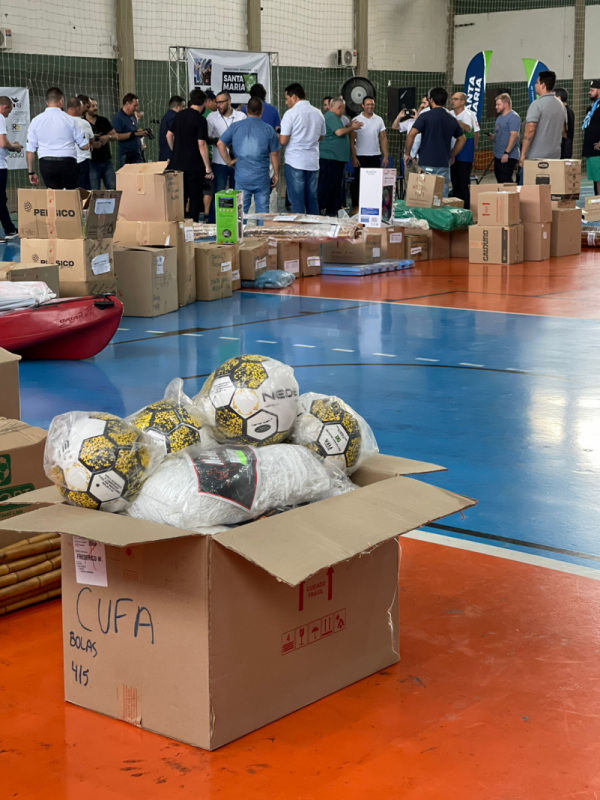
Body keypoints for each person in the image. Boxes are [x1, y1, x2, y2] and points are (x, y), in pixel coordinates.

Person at [217, 96, 281, 219]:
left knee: (241, 214)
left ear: (246, 110)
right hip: (262, 178)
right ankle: (262, 236)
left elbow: (220, 143)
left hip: (242, 177)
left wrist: (229, 161)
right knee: (263, 213)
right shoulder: (268, 129)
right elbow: (275, 154)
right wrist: (276, 174)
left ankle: (242, 237)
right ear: (262, 110)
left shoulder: (235, 127)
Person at [404, 87, 465, 197]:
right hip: (443, 165)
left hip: (426, 164)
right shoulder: (451, 119)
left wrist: (407, 154)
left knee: (424, 198)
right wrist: (451, 155)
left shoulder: (425, 116)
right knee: (441, 199)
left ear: (431, 100)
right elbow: (462, 139)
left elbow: (411, 134)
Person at [26, 87, 88, 190]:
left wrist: (31, 172)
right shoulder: (71, 120)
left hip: (46, 163)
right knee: (70, 195)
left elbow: (30, 151)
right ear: (61, 101)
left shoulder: (36, 121)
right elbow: (84, 146)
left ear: (47, 102)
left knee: (53, 197)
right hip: (68, 162)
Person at [279, 82, 325, 215]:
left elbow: (283, 141)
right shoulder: (318, 113)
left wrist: (276, 134)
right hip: (312, 163)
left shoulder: (290, 113)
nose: (286, 103)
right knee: (312, 199)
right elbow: (321, 137)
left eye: (287, 99)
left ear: (294, 97)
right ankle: (314, 233)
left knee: (297, 201)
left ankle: (299, 233)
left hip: (295, 162)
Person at [167, 88, 212, 223]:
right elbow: (201, 144)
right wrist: (207, 167)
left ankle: (179, 226)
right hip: (194, 166)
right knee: (194, 197)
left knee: (181, 197)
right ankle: (192, 227)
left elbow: (168, 135)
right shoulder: (201, 120)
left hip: (177, 165)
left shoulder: (179, 115)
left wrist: (175, 150)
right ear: (204, 103)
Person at [318, 98, 362, 217]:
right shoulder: (331, 116)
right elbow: (339, 132)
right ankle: (321, 208)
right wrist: (353, 128)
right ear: (340, 107)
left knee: (334, 186)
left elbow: (338, 130)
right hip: (330, 158)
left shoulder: (333, 118)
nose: (343, 112)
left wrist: (348, 126)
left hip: (335, 159)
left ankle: (332, 210)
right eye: (343, 109)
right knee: (327, 185)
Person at [206, 91, 246, 221]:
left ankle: (236, 223)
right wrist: (221, 141)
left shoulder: (241, 116)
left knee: (238, 195)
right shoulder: (212, 117)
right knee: (218, 194)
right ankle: (213, 224)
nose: (218, 105)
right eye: (217, 102)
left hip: (238, 162)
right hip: (219, 162)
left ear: (229, 101)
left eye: (221, 102)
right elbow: (207, 138)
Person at [519, 71, 566, 169]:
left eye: (537, 82)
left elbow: (530, 129)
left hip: (536, 159)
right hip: (555, 156)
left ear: (543, 85)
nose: (535, 85)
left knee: (532, 184)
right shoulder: (561, 105)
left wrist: (523, 154)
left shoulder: (536, 104)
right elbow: (563, 131)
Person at [349, 96, 388, 209]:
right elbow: (351, 140)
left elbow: (383, 138)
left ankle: (372, 206)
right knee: (358, 183)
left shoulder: (379, 119)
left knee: (374, 183)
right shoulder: (356, 120)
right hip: (360, 157)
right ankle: (356, 206)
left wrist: (385, 156)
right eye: (368, 104)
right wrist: (354, 157)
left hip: (375, 156)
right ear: (363, 105)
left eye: (372, 104)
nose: (370, 107)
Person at [449, 91, 479, 209]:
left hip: (464, 154)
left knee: (463, 184)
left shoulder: (468, 114)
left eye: (455, 99)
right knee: (455, 183)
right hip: (452, 152)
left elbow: (468, 128)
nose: (452, 101)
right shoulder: (450, 113)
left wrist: (472, 150)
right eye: (451, 99)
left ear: (463, 101)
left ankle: (467, 209)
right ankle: (457, 208)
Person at [0, 96, 22, 242]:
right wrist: (15, 146)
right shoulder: (0, 117)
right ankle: (9, 229)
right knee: (1, 198)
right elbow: (3, 143)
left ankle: (9, 228)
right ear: (4, 107)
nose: (8, 115)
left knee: (1, 198)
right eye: (8, 111)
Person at [85, 98, 117, 190]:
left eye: (96, 106)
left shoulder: (104, 120)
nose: (95, 108)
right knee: (94, 190)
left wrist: (108, 137)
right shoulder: (83, 123)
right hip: (91, 163)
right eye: (92, 106)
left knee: (112, 188)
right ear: (86, 107)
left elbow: (116, 135)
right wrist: (91, 143)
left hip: (107, 162)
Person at [111, 94, 149, 168]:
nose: (136, 108)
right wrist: (134, 134)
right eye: (135, 105)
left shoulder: (132, 116)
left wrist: (140, 132)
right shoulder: (118, 118)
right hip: (127, 156)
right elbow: (116, 136)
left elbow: (133, 131)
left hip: (137, 155)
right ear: (127, 104)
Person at [491, 93, 521, 184]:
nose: (496, 107)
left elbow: (514, 135)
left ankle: (512, 197)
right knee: (500, 180)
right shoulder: (499, 118)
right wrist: (493, 136)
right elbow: (500, 134)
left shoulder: (513, 117)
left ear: (506, 104)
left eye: (498, 104)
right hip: (498, 155)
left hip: (508, 156)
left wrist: (506, 153)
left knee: (505, 180)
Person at [66, 96, 93, 189]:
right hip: (82, 161)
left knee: (68, 191)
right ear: (78, 108)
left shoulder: (61, 121)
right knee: (84, 193)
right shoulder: (84, 123)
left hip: (66, 161)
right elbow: (91, 143)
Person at [392, 96, 430, 161]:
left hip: (421, 158)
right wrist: (399, 116)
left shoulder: (429, 121)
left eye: (424, 103)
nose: (421, 105)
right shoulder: (410, 121)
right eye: (421, 103)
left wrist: (417, 119)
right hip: (409, 157)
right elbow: (394, 127)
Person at [582, 79, 600, 196]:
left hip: (598, 151)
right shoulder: (592, 108)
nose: (590, 92)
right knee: (595, 181)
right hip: (591, 150)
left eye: (592, 90)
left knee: (599, 180)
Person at [159, 96, 185, 162]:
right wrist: (174, 151)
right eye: (183, 106)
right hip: (170, 155)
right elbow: (171, 134)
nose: (184, 109)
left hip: (165, 153)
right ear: (176, 107)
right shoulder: (173, 117)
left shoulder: (167, 115)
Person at [555, 87, 575, 159]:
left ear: (559, 98)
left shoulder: (562, 111)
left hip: (563, 148)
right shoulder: (570, 111)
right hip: (567, 147)